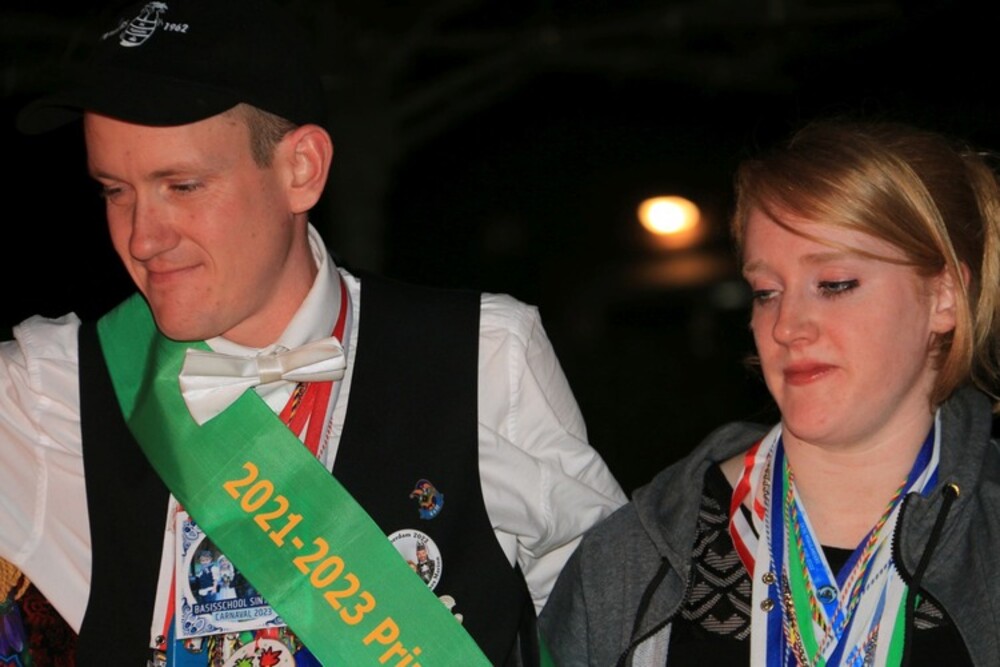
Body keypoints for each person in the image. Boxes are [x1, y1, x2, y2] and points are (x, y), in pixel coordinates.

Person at [0, 0, 627, 664]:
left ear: (301, 168)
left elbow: (622, 619)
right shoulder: (49, 393)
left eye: (182, 186)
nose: (141, 238)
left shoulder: (482, 357)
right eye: (114, 191)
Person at [539, 118, 1000, 666]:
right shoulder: (633, 558)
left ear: (944, 297)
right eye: (765, 292)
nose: (786, 327)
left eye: (834, 284)